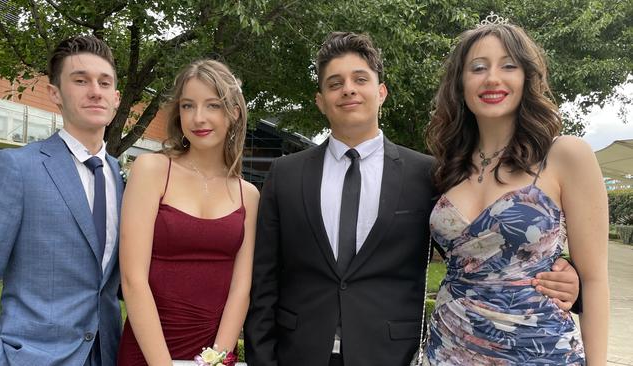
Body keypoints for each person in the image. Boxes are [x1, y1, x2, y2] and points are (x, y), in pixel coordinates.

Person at [244, 31, 580, 366]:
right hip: (298, 353)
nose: (348, 89)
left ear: (381, 92)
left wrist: (567, 275)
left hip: (390, 355)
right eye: (335, 83)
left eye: (360, 79)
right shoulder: (284, 175)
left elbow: (475, 246)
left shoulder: (430, 174)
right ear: (320, 100)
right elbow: (264, 279)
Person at [424, 16, 609, 365]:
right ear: (460, 84)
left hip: (538, 351)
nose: (492, 77)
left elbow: (596, 280)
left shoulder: (565, 155)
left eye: (508, 66)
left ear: (526, 78)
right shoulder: (446, 168)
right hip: (447, 349)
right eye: (478, 67)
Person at [0, 36, 123, 365]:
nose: (95, 91)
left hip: (109, 355)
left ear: (116, 98)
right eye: (80, 80)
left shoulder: (118, 175)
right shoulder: (16, 168)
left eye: (104, 82)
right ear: (55, 93)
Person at [117, 59, 259, 365]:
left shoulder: (249, 196)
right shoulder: (151, 170)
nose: (198, 118)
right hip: (147, 350)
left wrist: (216, 359)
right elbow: (132, 278)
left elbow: (241, 287)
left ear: (234, 113)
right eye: (187, 106)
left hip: (212, 353)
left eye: (212, 105)